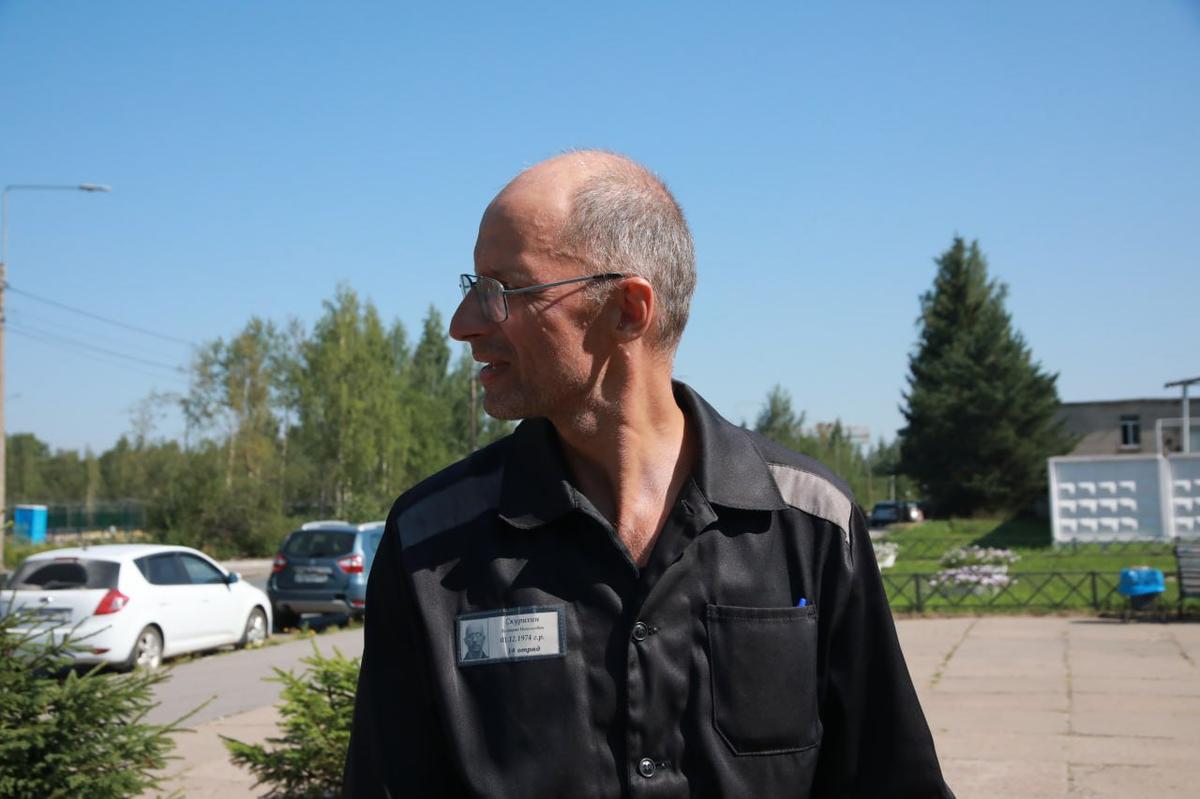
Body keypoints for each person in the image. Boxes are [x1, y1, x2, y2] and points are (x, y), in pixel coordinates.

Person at [343, 151, 953, 797]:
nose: (462, 323)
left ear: (628, 310)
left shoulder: (809, 521)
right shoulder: (430, 544)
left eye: (503, 291)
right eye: (472, 286)